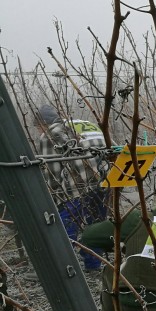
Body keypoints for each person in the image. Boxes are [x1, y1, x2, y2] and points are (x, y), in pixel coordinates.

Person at [36, 104, 109, 272]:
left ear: (42, 123)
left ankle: (59, 267)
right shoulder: (85, 123)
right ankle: (93, 264)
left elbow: (52, 173)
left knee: (65, 225)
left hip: (79, 186)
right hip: (105, 180)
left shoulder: (50, 134)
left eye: (38, 126)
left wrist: (54, 198)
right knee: (96, 224)